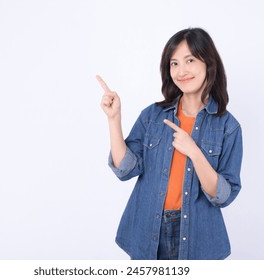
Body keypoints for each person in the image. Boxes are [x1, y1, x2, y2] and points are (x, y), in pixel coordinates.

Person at [96, 27, 243, 260]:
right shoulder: (153, 116)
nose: (181, 71)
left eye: (190, 60)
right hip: (148, 231)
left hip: (198, 238)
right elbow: (124, 170)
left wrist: (195, 152)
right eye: (174, 63)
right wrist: (114, 119)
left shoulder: (228, 126)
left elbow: (223, 196)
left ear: (208, 63)